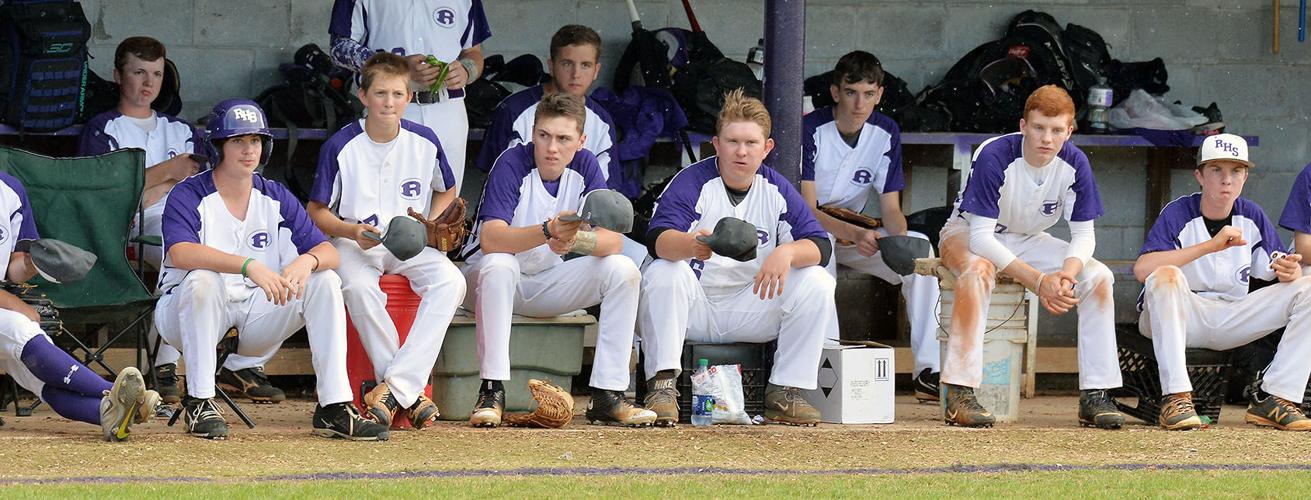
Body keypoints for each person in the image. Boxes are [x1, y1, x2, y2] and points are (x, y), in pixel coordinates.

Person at [155, 99, 387, 441]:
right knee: (203, 279)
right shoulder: (189, 193)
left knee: (325, 279)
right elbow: (182, 252)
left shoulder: (275, 194)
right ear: (217, 147)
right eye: (238, 141)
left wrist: (306, 261)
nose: (249, 150)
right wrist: (249, 266)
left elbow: (327, 251)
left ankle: (334, 406)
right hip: (184, 313)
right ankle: (199, 400)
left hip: (254, 316)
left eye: (255, 141)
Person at [638, 89, 835, 427]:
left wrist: (786, 252)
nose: (741, 152)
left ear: (767, 148)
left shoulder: (775, 189)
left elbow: (820, 245)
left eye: (751, 143)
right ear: (716, 144)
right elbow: (656, 241)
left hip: (750, 304)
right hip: (693, 307)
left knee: (817, 279)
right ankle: (663, 385)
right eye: (732, 141)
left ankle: (785, 390)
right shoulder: (692, 182)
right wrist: (693, 244)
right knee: (663, 272)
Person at [459, 93, 654, 427]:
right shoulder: (512, 162)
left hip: (545, 282)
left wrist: (576, 239)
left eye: (563, 139)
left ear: (580, 141)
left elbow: (614, 241)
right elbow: (491, 239)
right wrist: (549, 231)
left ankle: (608, 393)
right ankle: (491, 390)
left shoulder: (586, 165)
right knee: (500, 265)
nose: (552, 148)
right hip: (485, 281)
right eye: (545, 136)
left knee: (623, 270)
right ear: (533, 133)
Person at [938, 85, 1123, 429]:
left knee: (1098, 277)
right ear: (1023, 125)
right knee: (978, 270)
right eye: (1038, 128)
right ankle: (959, 391)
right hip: (968, 232)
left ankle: (1096, 393)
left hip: (1029, 238)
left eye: (1056, 131)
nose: (1046, 139)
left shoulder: (1075, 162)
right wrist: (1039, 282)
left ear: (1069, 131)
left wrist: (1066, 275)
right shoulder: (995, 153)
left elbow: (1083, 235)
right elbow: (981, 238)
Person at [308, 52, 465, 430]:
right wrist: (349, 231)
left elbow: (448, 189)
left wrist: (431, 222)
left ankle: (394, 389)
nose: (389, 102)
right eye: (380, 93)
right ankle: (410, 393)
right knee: (358, 288)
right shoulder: (341, 145)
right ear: (363, 96)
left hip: (409, 242)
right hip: (357, 240)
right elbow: (316, 210)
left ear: (409, 97)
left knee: (452, 282)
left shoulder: (425, 140)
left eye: (397, 94)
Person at [1135, 134, 1311, 431]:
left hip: (1230, 315)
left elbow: (1274, 263)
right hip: (1178, 314)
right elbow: (1143, 269)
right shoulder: (1178, 212)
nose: (1226, 180)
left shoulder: (1251, 214)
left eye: (1236, 171)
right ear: (1199, 176)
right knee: (1167, 275)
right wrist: (1209, 246)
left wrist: (1288, 271)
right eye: (1216, 170)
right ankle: (1176, 397)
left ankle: (1277, 398)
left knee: (1307, 288)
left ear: (1245, 177)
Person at [800, 51, 941, 401]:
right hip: (812, 229)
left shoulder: (885, 131)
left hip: (857, 229)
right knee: (823, 258)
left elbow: (891, 208)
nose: (859, 102)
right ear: (836, 92)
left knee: (922, 255)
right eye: (851, 92)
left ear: (879, 94)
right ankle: (826, 368)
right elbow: (806, 207)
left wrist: (900, 242)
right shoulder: (812, 127)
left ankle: (929, 370)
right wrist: (852, 235)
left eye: (868, 93)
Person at [0, 171, 160, 441]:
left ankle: (111, 411)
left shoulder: (9, 189)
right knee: (19, 327)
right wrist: (12, 302)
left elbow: (12, 269)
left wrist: (31, 263)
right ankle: (117, 393)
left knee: (38, 377)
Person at [329, 0, 491, 193]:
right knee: (385, 202)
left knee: (446, 207)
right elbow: (338, 48)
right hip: (389, 107)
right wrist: (395, 66)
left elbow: (473, 51)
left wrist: (467, 69)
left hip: (449, 109)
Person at [474, 25, 618, 188]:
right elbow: (493, 179)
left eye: (585, 65)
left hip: (576, 212)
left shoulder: (603, 122)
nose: (576, 74)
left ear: (596, 70)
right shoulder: (512, 110)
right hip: (513, 208)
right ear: (551, 66)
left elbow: (605, 192)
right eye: (567, 64)